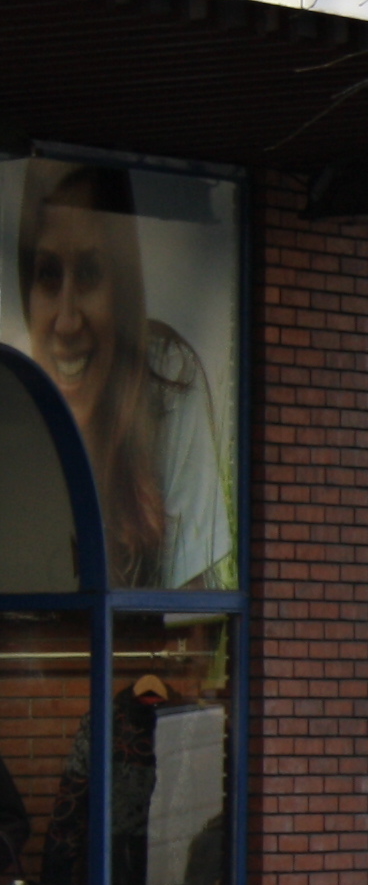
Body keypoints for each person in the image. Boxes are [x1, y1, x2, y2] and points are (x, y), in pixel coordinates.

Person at [14, 160, 232, 591]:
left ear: (122, 286)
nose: (67, 321)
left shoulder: (167, 380)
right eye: (48, 275)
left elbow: (192, 618)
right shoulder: (12, 397)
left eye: (91, 273)